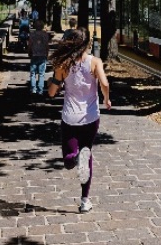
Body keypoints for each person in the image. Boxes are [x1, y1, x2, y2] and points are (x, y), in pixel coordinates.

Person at [47, 29, 112, 213]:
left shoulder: (62, 65)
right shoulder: (95, 62)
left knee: (69, 160)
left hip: (70, 118)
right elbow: (105, 84)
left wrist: (55, 78)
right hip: (91, 117)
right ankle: (85, 200)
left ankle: (73, 158)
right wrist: (106, 99)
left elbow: (52, 92)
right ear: (86, 44)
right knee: (86, 154)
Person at [27, 19, 51, 95]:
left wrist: (29, 52)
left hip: (34, 55)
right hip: (43, 55)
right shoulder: (45, 34)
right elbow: (47, 46)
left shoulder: (32, 34)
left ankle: (33, 88)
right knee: (41, 74)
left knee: (33, 73)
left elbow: (30, 45)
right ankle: (40, 90)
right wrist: (47, 54)